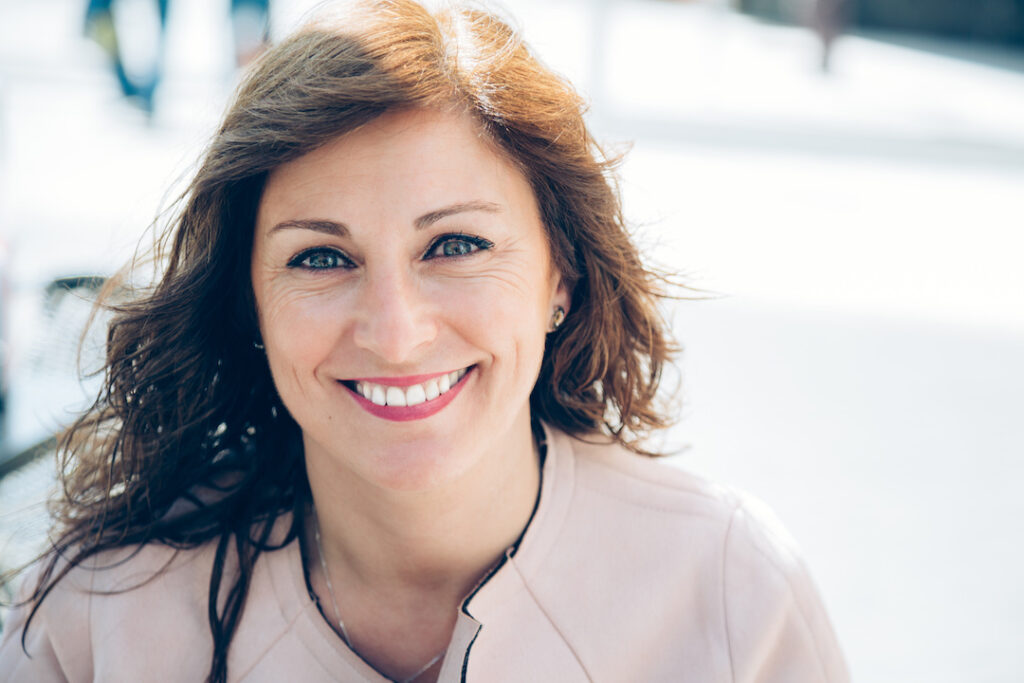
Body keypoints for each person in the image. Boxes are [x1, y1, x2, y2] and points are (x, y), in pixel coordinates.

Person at [0, 1, 849, 681]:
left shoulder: (733, 593)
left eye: (456, 245)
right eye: (322, 257)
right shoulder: (97, 620)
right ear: (247, 302)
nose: (397, 332)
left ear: (562, 274)